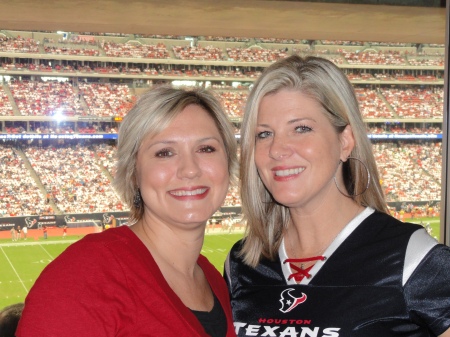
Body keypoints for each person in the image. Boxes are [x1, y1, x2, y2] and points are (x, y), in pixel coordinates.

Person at [224, 55, 450, 337]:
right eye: (264, 134)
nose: (277, 149)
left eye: (301, 128)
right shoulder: (242, 265)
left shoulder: (414, 259)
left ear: (345, 141)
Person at [17, 86, 238, 337]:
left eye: (206, 149)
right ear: (133, 172)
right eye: (164, 152)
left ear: (228, 163)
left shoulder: (216, 281)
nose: (190, 169)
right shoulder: (85, 276)